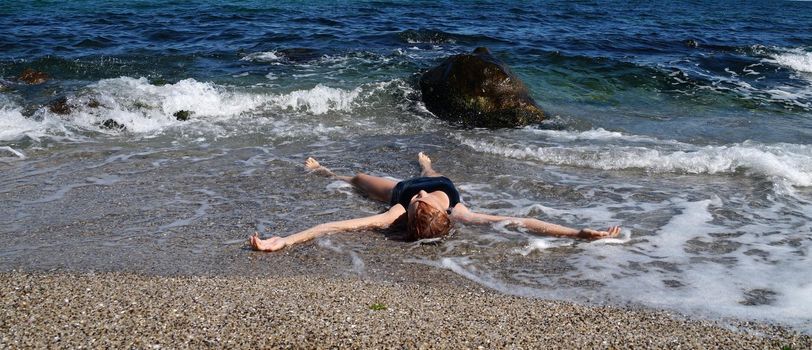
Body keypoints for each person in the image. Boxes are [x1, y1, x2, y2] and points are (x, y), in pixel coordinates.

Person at [249, 152, 621, 252]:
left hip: (396, 187)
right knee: (426, 171)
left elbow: (334, 226)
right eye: (424, 202)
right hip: (422, 179)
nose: (422, 197)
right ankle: (423, 163)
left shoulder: (398, 208)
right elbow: (520, 221)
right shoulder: (460, 211)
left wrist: (285, 240)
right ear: (445, 214)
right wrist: (578, 232)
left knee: (362, 180)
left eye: (419, 202)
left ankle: (327, 171)